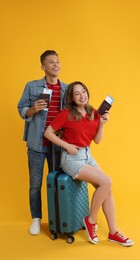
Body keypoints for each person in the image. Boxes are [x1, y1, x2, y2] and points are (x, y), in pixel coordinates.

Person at [44, 81, 134, 246]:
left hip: (87, 154)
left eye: (83, 91)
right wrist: (67, 145)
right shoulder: (66, 114)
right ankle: (91, 220)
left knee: (107, 189)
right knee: (106, 181)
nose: (82, 95)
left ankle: (113, 232)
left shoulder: (94, 113)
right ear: (71, 98)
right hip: (71, 158)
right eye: (77, 93)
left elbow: (97, 141)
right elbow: (48, 133)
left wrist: (102, 124)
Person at [17, 50, 68, 235]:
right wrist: (32, 109)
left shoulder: (67, 89)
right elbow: (21, 109)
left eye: (58, 61)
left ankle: (58, 219)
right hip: (36, 145)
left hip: (58, 145)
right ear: (43, 67)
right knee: (35, 184)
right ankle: (36, 220)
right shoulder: (32, 87)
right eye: (51, 62)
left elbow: (74, 114)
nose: (56, 65)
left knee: (57, 182)